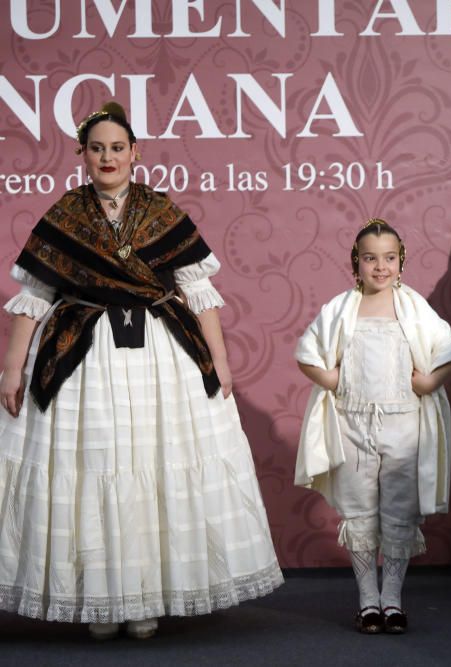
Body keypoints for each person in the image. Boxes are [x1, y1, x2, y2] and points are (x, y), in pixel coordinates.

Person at [0, 102, 283, 640]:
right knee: (95, 465)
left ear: (136, 153)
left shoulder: (161, 212)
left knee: (152, 465)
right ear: (83, 155)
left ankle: (145, 598)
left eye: (117, 147)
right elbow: (35, 295)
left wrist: (219, 360)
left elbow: (199, 292)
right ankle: (102, 601)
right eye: (97, 148)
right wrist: (12, 369)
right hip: (84, 357)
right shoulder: (65, 216)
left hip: (160, 356)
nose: (108, 157)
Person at [294, 219, 451, 634]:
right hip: (353, 423)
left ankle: (393, 600)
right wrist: (334, 380)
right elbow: (307, 352)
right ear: (357, 263)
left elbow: (449, 352)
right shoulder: (340, 309)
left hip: (403, 425)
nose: (380, 267)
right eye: (371, 259)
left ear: (401, 262)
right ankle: (367, 600)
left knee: (399, 513)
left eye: (389, 258)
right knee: (361, 511)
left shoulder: (414, 308)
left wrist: (428, 381)